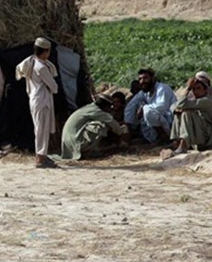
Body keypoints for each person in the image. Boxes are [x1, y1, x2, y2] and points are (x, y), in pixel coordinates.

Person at [15, 37, 59, 168]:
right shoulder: (41, 68)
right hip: (42, 101)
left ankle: (42, 155)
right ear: (45, 51)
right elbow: (54, 87)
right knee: (42, 130)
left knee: (39, 129)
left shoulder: (31, 63)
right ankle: (40, 158)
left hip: (35, 100)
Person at [60, 94, 129, 160]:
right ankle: (87, 150)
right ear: (106, 106)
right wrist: (122, 133)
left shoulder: (89, 107)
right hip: (76, 143)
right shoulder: (96, 111)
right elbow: (114, 124)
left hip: (69, 142)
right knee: (101, 126)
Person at [169, 77, 212, 154]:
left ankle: (183, 144)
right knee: (179, 113)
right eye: (193, 89)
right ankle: (177, 141)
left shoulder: (206, 101)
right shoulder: (196, 98)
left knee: (187, 113)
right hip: (205, 130)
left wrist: (188, 88)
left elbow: (181, 104)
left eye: (199, 88)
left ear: (205, 89)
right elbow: (174, 105)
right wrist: (175, 110)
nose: (195, 91)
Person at [124, 68, 177, 144]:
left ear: (153, 78)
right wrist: (127, 124)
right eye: (140, 79)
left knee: (148, 110)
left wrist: (143, 109)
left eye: (145, 78)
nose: (142, 81)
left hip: (170, 122)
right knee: (139, 105)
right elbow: (131, 105)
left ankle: (165, 138)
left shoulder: (162, 88)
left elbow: (162, 107)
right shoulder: (145, 92)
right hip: (160, 121)